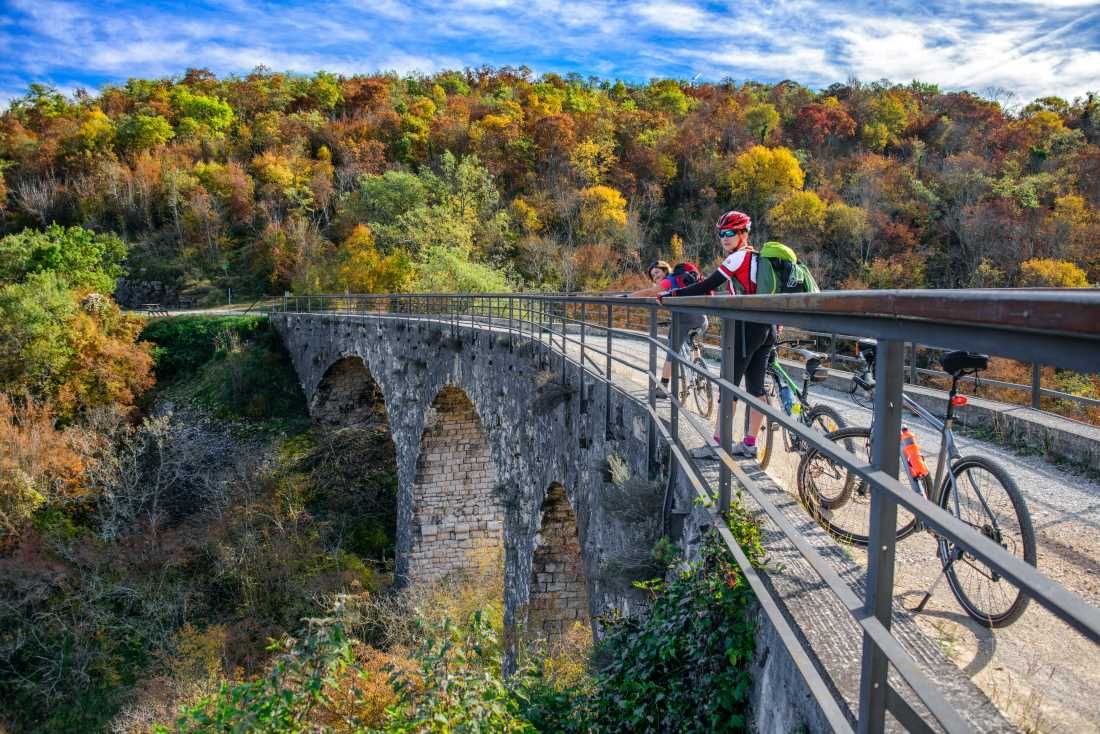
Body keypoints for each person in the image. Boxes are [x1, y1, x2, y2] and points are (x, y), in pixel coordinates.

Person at [659, 210, 775, 458]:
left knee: (727, 386)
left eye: (731, 233)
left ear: (744, 233)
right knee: (756, 388)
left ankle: (718, 445)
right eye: (722, 233)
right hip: (766, 327)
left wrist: (671, 296)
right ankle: (750, 443)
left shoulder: (737, 258)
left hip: (745, 327)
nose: (725, 238)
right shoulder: (757, 257)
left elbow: (705, 285)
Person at [630, 260, 708, 398]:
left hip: (685, 320)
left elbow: (651, 292)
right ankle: (699, 374)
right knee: (693, 342)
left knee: (671, 352)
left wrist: (628, 296)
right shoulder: (680, 280)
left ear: (665, 271)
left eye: (657, 272)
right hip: (702, 318)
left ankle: (662, 388)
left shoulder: (668, 280)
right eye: (653, 276)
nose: (655, 277)